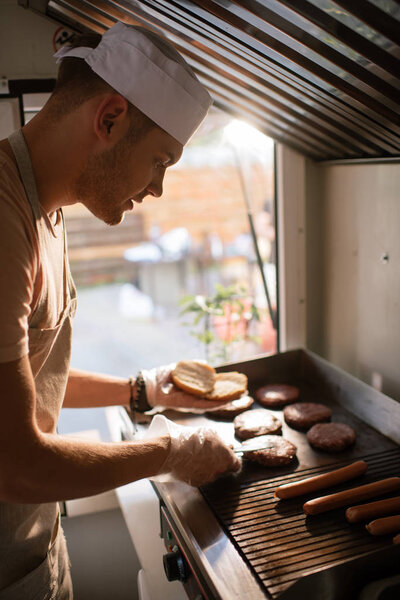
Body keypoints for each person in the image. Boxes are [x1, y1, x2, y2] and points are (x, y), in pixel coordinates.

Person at [0, 22, 240, 599]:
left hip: (29, 555)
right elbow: (15, 463)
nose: (157, 188)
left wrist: (141, 391)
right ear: (109, 120)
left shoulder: (46, 211)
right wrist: (169, 451)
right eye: (160, 160)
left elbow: (27, 379)